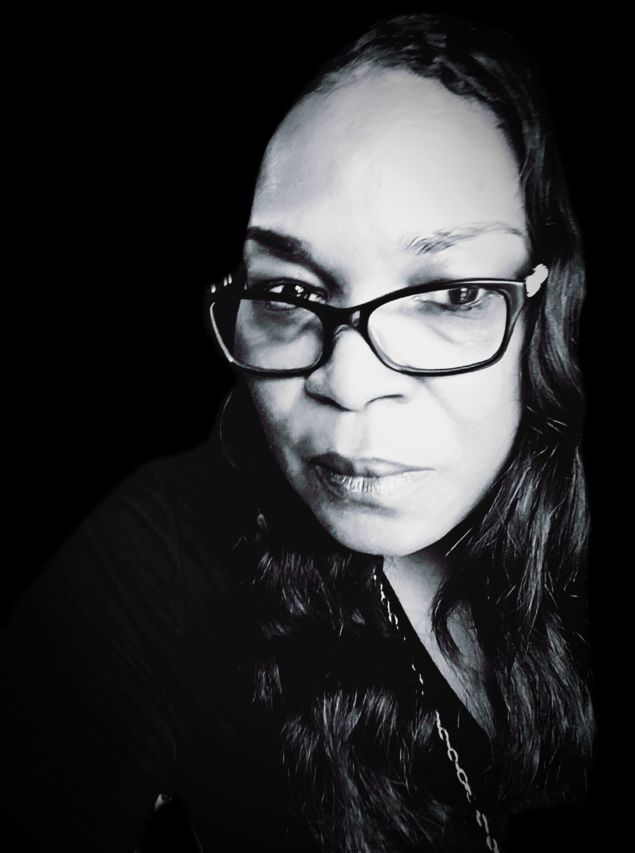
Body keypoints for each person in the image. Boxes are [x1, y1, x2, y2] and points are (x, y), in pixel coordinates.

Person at [2, 11, 595, 852]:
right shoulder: (153, 564)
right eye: (287, 294)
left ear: (547, 299)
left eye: (452, 294)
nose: (347, 384)